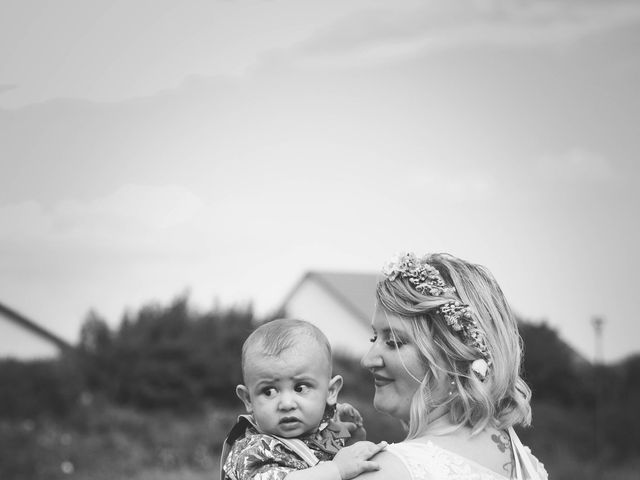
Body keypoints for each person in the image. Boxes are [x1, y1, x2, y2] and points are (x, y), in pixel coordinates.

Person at [358, 252, 548, 480]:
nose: (367, 360)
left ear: (454, 354)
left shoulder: (387, 470)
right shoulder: (528, 467)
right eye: (373, 339)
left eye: (394, 342)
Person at [221, 318, 388, 480]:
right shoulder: (253, 450)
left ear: (330, 391)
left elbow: (350, 464)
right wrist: (337, 469)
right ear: (248, 400)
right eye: (269, 391)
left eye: (300, 388)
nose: (286, 404)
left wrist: (354, 439)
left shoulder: (324, 432)